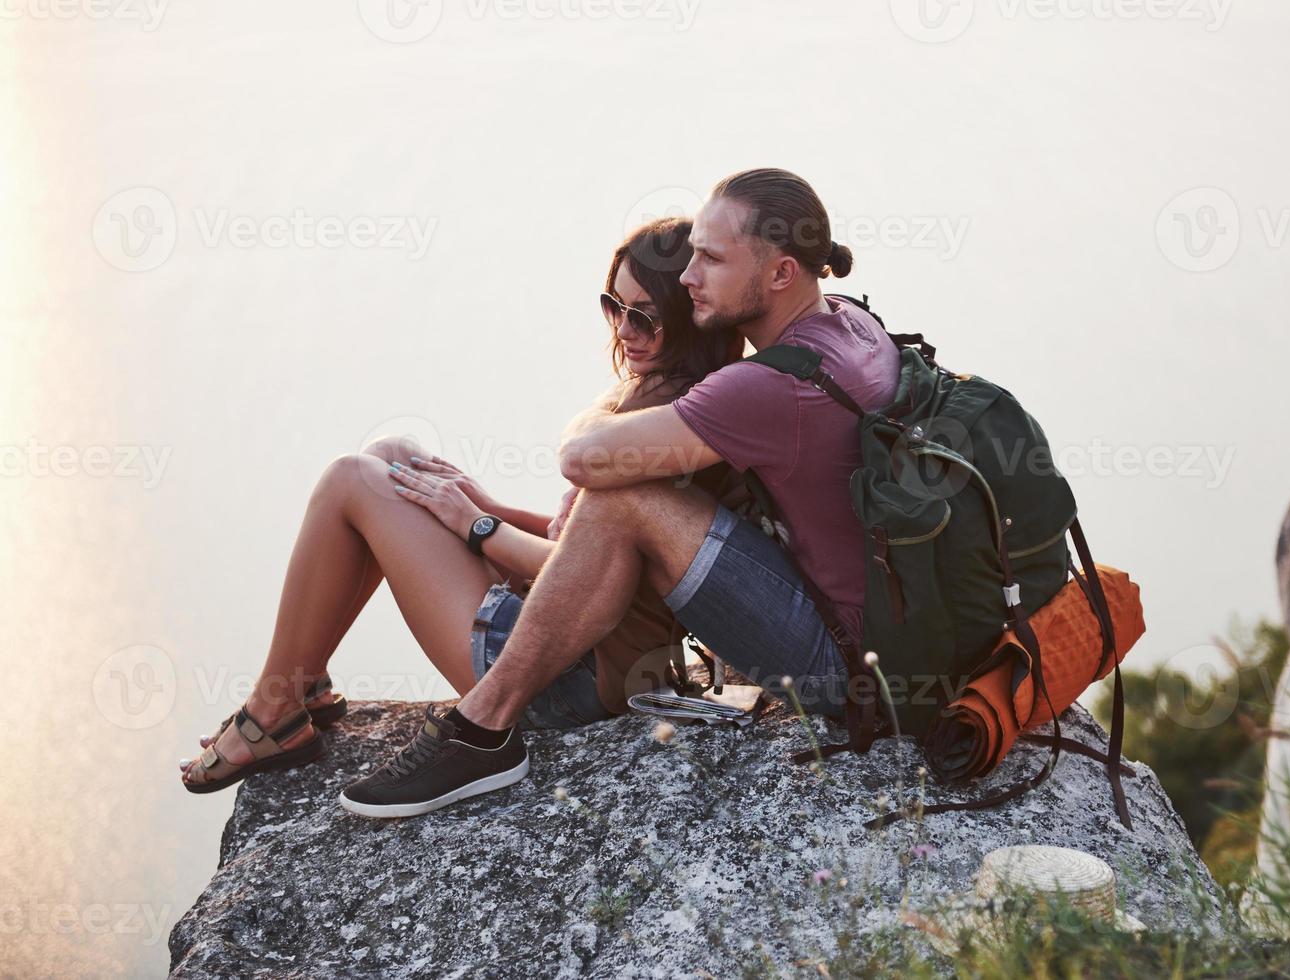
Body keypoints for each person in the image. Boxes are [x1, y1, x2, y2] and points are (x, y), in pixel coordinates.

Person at [336, 167, 900, 819]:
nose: (690, 279)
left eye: (711, 260)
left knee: (621, 493)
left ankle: (482, 728)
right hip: (872, 633)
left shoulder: (768, 385)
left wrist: (597, 419)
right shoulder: (852, 325)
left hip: (840, 666)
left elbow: (583, 460)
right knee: (403, 467)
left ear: (780, 274)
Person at [178, 218, 743, 793]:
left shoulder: (670, 431)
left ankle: (273, 711)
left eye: (644, 315)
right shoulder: (661, 400)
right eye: (612, 306)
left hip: (562, 677)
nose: (624, 329)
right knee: (392, 456)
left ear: (692, 312)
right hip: (566, 637)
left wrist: (476, 524)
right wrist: (485, 505)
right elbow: (581, 543)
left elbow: (592, 581)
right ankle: (305, 680)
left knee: (351, 480)